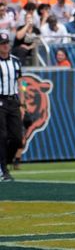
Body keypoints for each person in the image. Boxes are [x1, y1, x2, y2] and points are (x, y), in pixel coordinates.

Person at [0, 31, 24, 181]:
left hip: (13, 100)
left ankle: (4, 162)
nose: (5, 46)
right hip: (0, 100)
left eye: (6, 43)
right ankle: (3, 169)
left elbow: (21, 82)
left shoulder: (15, 61)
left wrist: (22, 102)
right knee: (1, 136)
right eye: (2, 44)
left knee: (17, 138)